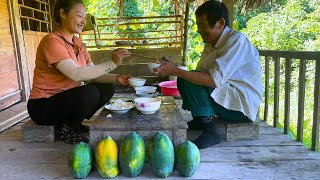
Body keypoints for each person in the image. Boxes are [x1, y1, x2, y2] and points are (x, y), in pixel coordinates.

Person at [154, 0, 263, 149]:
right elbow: (198, 73)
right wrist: (175, 68)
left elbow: (212, 80)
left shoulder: (237, 41)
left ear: (220, 23)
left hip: (241, 107)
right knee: (185, 79)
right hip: (227, 98)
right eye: (198, 25)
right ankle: (200, 119)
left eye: (203, 26)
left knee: (190, 80)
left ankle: (210, 131)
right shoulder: (211, 44)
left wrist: (176, 70)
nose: (199, 30)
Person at [27, 0, 131, 144]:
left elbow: (93, 74)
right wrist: (112, 63)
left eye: (85, 17)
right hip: (42, 106)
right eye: (79, 16)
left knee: (107, 87)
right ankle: (66, 130)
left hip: (65, 101)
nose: (83, 21)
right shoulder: (51, 41)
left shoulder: (79, 44)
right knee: (89, 93)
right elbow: (75, 74)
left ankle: (73, 123)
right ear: (63, 13)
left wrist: (117, 78)